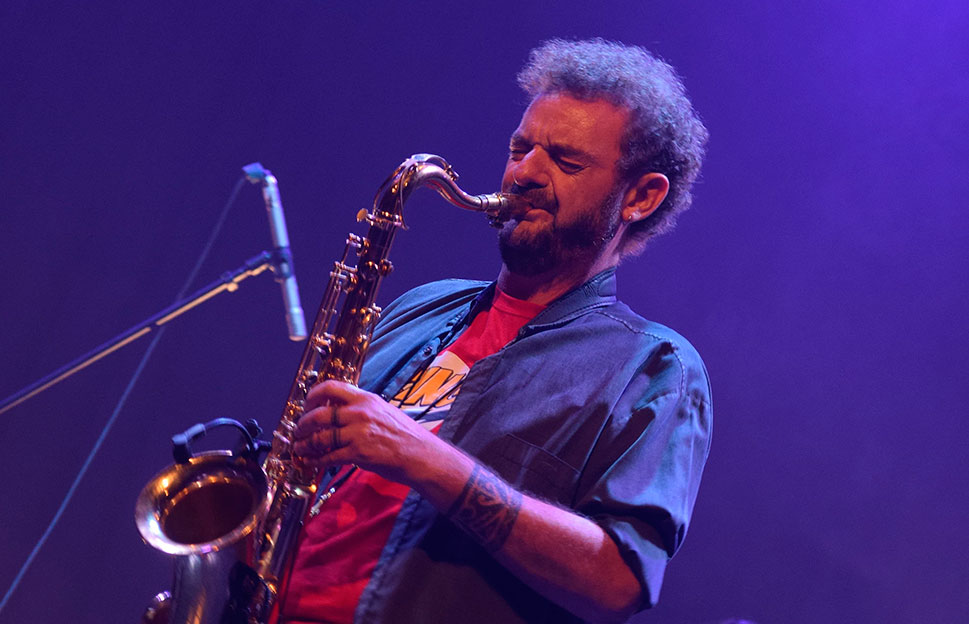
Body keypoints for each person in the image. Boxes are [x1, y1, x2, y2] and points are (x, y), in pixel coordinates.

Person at [281, 38, 712, 624]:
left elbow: (618, 581)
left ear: (641, 196)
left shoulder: (654, 369)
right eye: (520, 147)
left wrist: (423, 457)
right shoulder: (423, 306)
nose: (525, 172)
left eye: (566, 161)